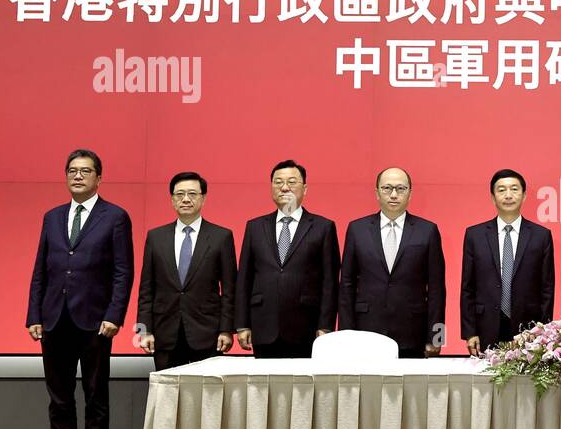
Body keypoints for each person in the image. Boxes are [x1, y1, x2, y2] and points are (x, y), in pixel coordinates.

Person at [25, 149, 134, 429]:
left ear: (99, 178)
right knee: (59, 397)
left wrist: (115, 314)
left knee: (95, 395)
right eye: (72, 170)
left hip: (95, 320)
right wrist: (34, 314)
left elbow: (123, 271)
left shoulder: (115, 217)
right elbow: (41, 269)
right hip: (54, 318)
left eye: (85, 171)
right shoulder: (52, 217)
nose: (77, 176)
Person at [235, 159, 339, 358]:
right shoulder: (255, 227)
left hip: (306, 328)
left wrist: (325, 326)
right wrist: (242, 324)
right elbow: (244, 279)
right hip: (263, 326)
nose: (284, 187)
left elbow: (330, 282)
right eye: (278, 182)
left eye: (291, 182)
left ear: (305, 188)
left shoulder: (323, 227)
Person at [339, 167, 447, 358]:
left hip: (412, 332)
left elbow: (437, 289)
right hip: (366, 332)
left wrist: (438, 338)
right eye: (387, 188)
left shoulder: (428, 230)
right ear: (377, 193)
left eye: (401, 188)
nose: (394, 194)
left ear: (410, 194)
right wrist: (345, 334)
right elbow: (347, 284)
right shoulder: (357, 229)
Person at [136, 171, 237, 370]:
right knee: (168, 389)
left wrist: (226, 330)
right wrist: (144, 330)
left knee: (207, 389)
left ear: (203, 198)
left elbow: (229, 290)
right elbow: (146, 289)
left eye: (192, 194)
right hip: (165, 332)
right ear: (172, 199)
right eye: (180, 194)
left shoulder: (221, 237)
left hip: (207, 333)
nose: (186, 199)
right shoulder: (156, 237)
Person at [460, 169, 555, 355]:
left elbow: (547, 289)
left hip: (528, 329)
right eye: (502, 190)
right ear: (493, 197)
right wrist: (470, 332)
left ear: (524, 195)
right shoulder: (475, 235)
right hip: (485, 326)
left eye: (514, 189)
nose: (508, 195)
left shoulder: (541, 236)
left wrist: (542, 332)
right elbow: (467, 288)